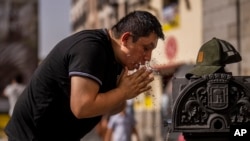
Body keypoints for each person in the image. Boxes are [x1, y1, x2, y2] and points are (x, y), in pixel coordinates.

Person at [4, 10, 164, 141]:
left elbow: (113, 108)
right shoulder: (91, 49)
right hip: (32, 136)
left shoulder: (117, 63)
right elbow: (81, 107)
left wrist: (124, 93)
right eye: (145, 48)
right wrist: (122, 92)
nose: (148, 57)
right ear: (126, 39)